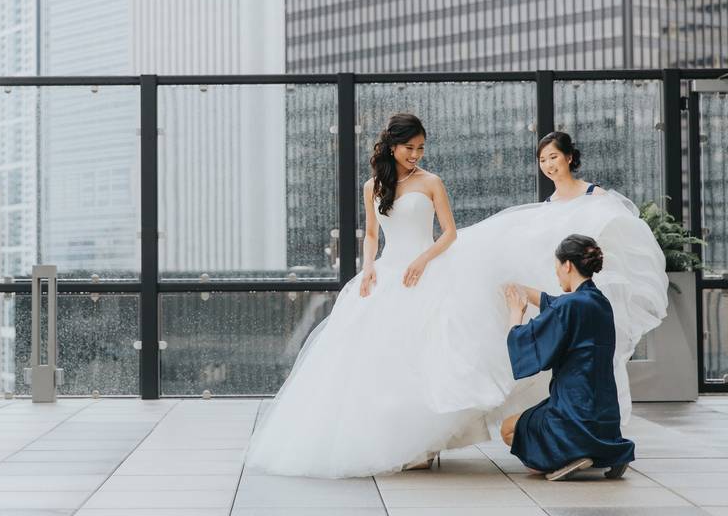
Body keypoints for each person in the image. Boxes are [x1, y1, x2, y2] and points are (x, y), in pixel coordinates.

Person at [245, 124, 667, 479]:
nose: (415, 155)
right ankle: (391, 438)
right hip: (387, 270)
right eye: (409, 148)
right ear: (392, 147)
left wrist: (423, 261)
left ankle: (425, 444)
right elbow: (371, 234)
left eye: (420, 149)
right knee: (377, 357)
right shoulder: (374, 185)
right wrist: (369, 267)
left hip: (426, 267)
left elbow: (448, 234)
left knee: (428, 353)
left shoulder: (431, 182)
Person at [501, 234, 634, 481]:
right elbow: (555, 305)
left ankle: (571, 454)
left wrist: (514, 312)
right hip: (604, 416)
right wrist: (517, 288)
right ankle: (603, 452)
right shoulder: (599, 302)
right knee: (531, 433)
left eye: (556, 269)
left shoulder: (569, 306)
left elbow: (523, 341)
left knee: (509, 429)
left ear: (568, 265)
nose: (557, 275)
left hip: (572, 412)